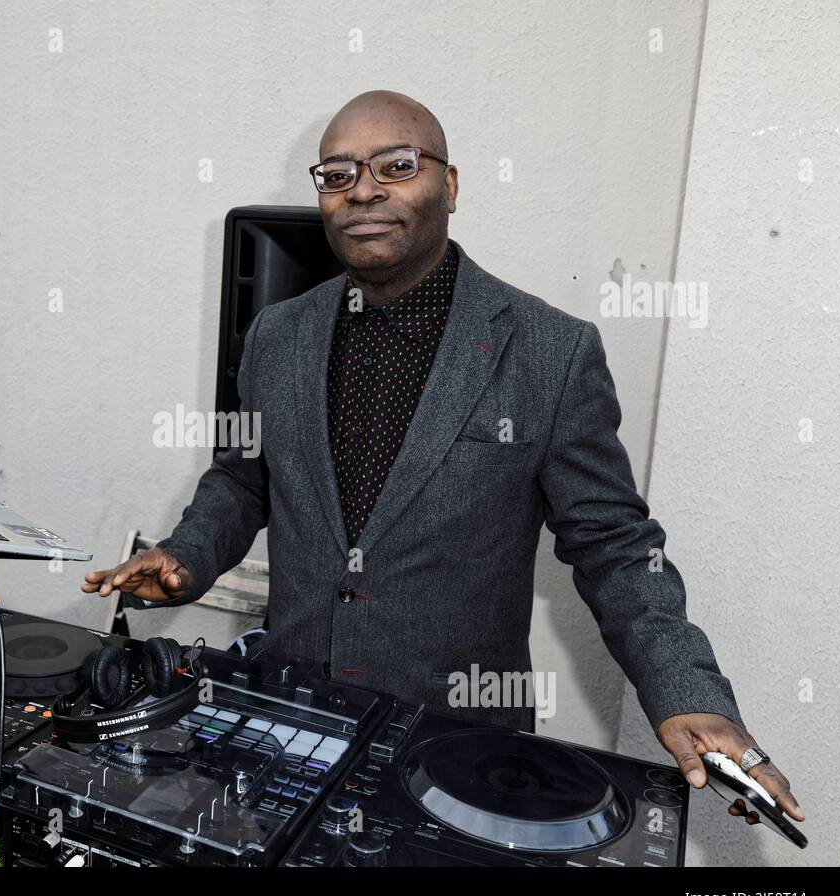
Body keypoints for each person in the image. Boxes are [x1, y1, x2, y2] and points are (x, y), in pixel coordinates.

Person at [82, 90, 802, 823]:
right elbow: (242, 478)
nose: (363, 189)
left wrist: (688, 696)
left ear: (450, 186)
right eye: (337, 174)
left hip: (459, 746)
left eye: (396, 165)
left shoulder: (551, 351)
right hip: (290, 722)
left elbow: (617, 548)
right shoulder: (278, 334)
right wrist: (187, 553)